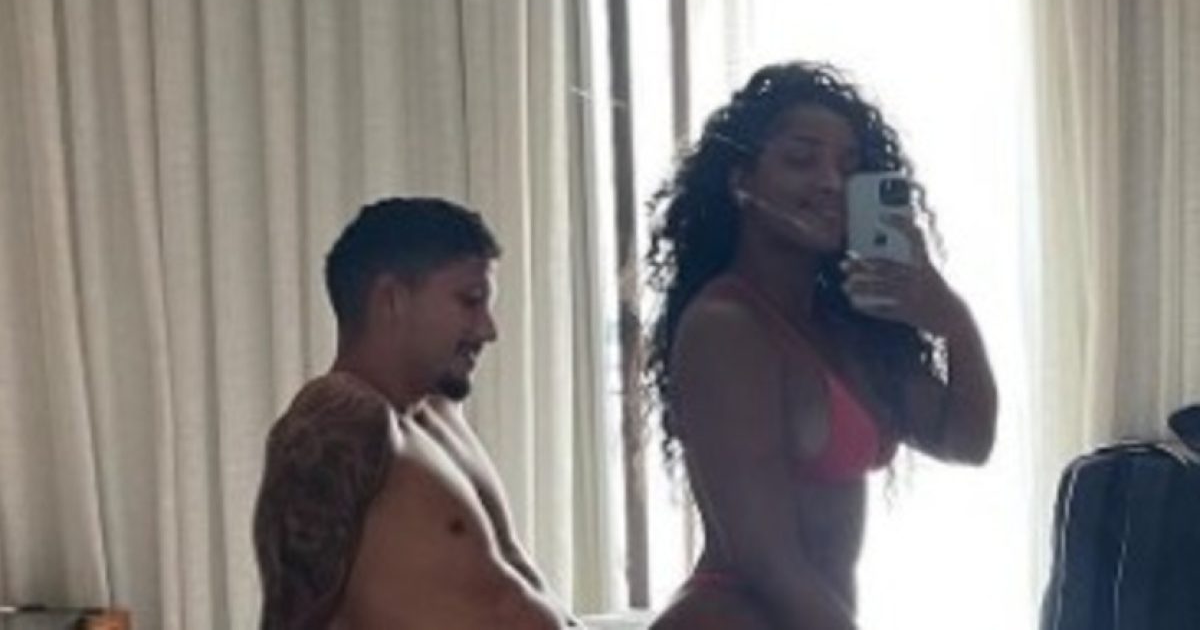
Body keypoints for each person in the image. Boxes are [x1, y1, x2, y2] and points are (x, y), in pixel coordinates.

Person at [644, 62, 998, 629]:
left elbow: (967, 441)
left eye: (848, 166)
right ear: (742, 182)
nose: (831, 182)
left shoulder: (847, 330)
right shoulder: (724, 327)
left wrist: (952, 320)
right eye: (801, 159)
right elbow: (767, 563)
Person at [253, 197, 578, 629]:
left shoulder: (440, 417)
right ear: (392, 299)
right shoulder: (337, 419)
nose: (488, 330)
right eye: (470, 301)